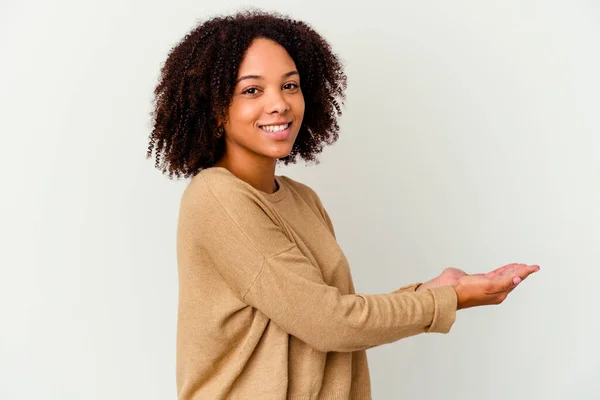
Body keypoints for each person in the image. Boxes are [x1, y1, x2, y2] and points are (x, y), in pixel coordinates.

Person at [146, 9, 540, 400]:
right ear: (214, 110)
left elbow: (332, 310)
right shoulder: (217, 196)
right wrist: (449, 299)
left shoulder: (301, 199)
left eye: (290, 85)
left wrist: (431, 289)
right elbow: (329, 323)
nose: (279, 104)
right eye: (252, 90)